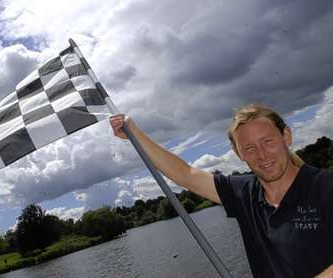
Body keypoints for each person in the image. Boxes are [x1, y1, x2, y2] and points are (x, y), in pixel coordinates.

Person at [109, 104, 333, 278]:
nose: (262, 155)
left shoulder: (324, 187)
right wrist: (134, 134)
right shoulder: (244, 192)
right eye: (249, 148)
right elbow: (185, 174)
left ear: (286, 137)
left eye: (268, 141)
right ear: (238, 154)